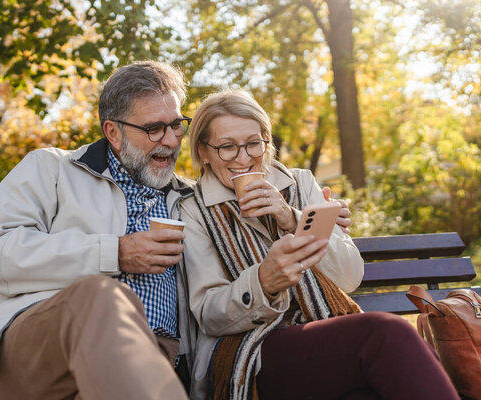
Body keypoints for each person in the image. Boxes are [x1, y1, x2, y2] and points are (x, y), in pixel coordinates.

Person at [180, 89, 459, 399]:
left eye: (253, 143)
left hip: (324, 332)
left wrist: (292, 218)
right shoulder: (193, 211)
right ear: (203, 151)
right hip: (250, 350)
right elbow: (208, 312)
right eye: (227, 147)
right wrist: (263, 283)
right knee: (387, 333)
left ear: (266, 140)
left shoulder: (301, 183)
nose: (244, 158)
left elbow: (349, 278)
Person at [0, 61, 196, 399]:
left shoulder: (189, 198)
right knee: (101, 296)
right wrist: (115, 252)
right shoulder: (51, 169)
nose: (171, 140)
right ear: (113, 132)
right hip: (43, 350)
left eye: (176, 125)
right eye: (155, 128)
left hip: (151, 360)